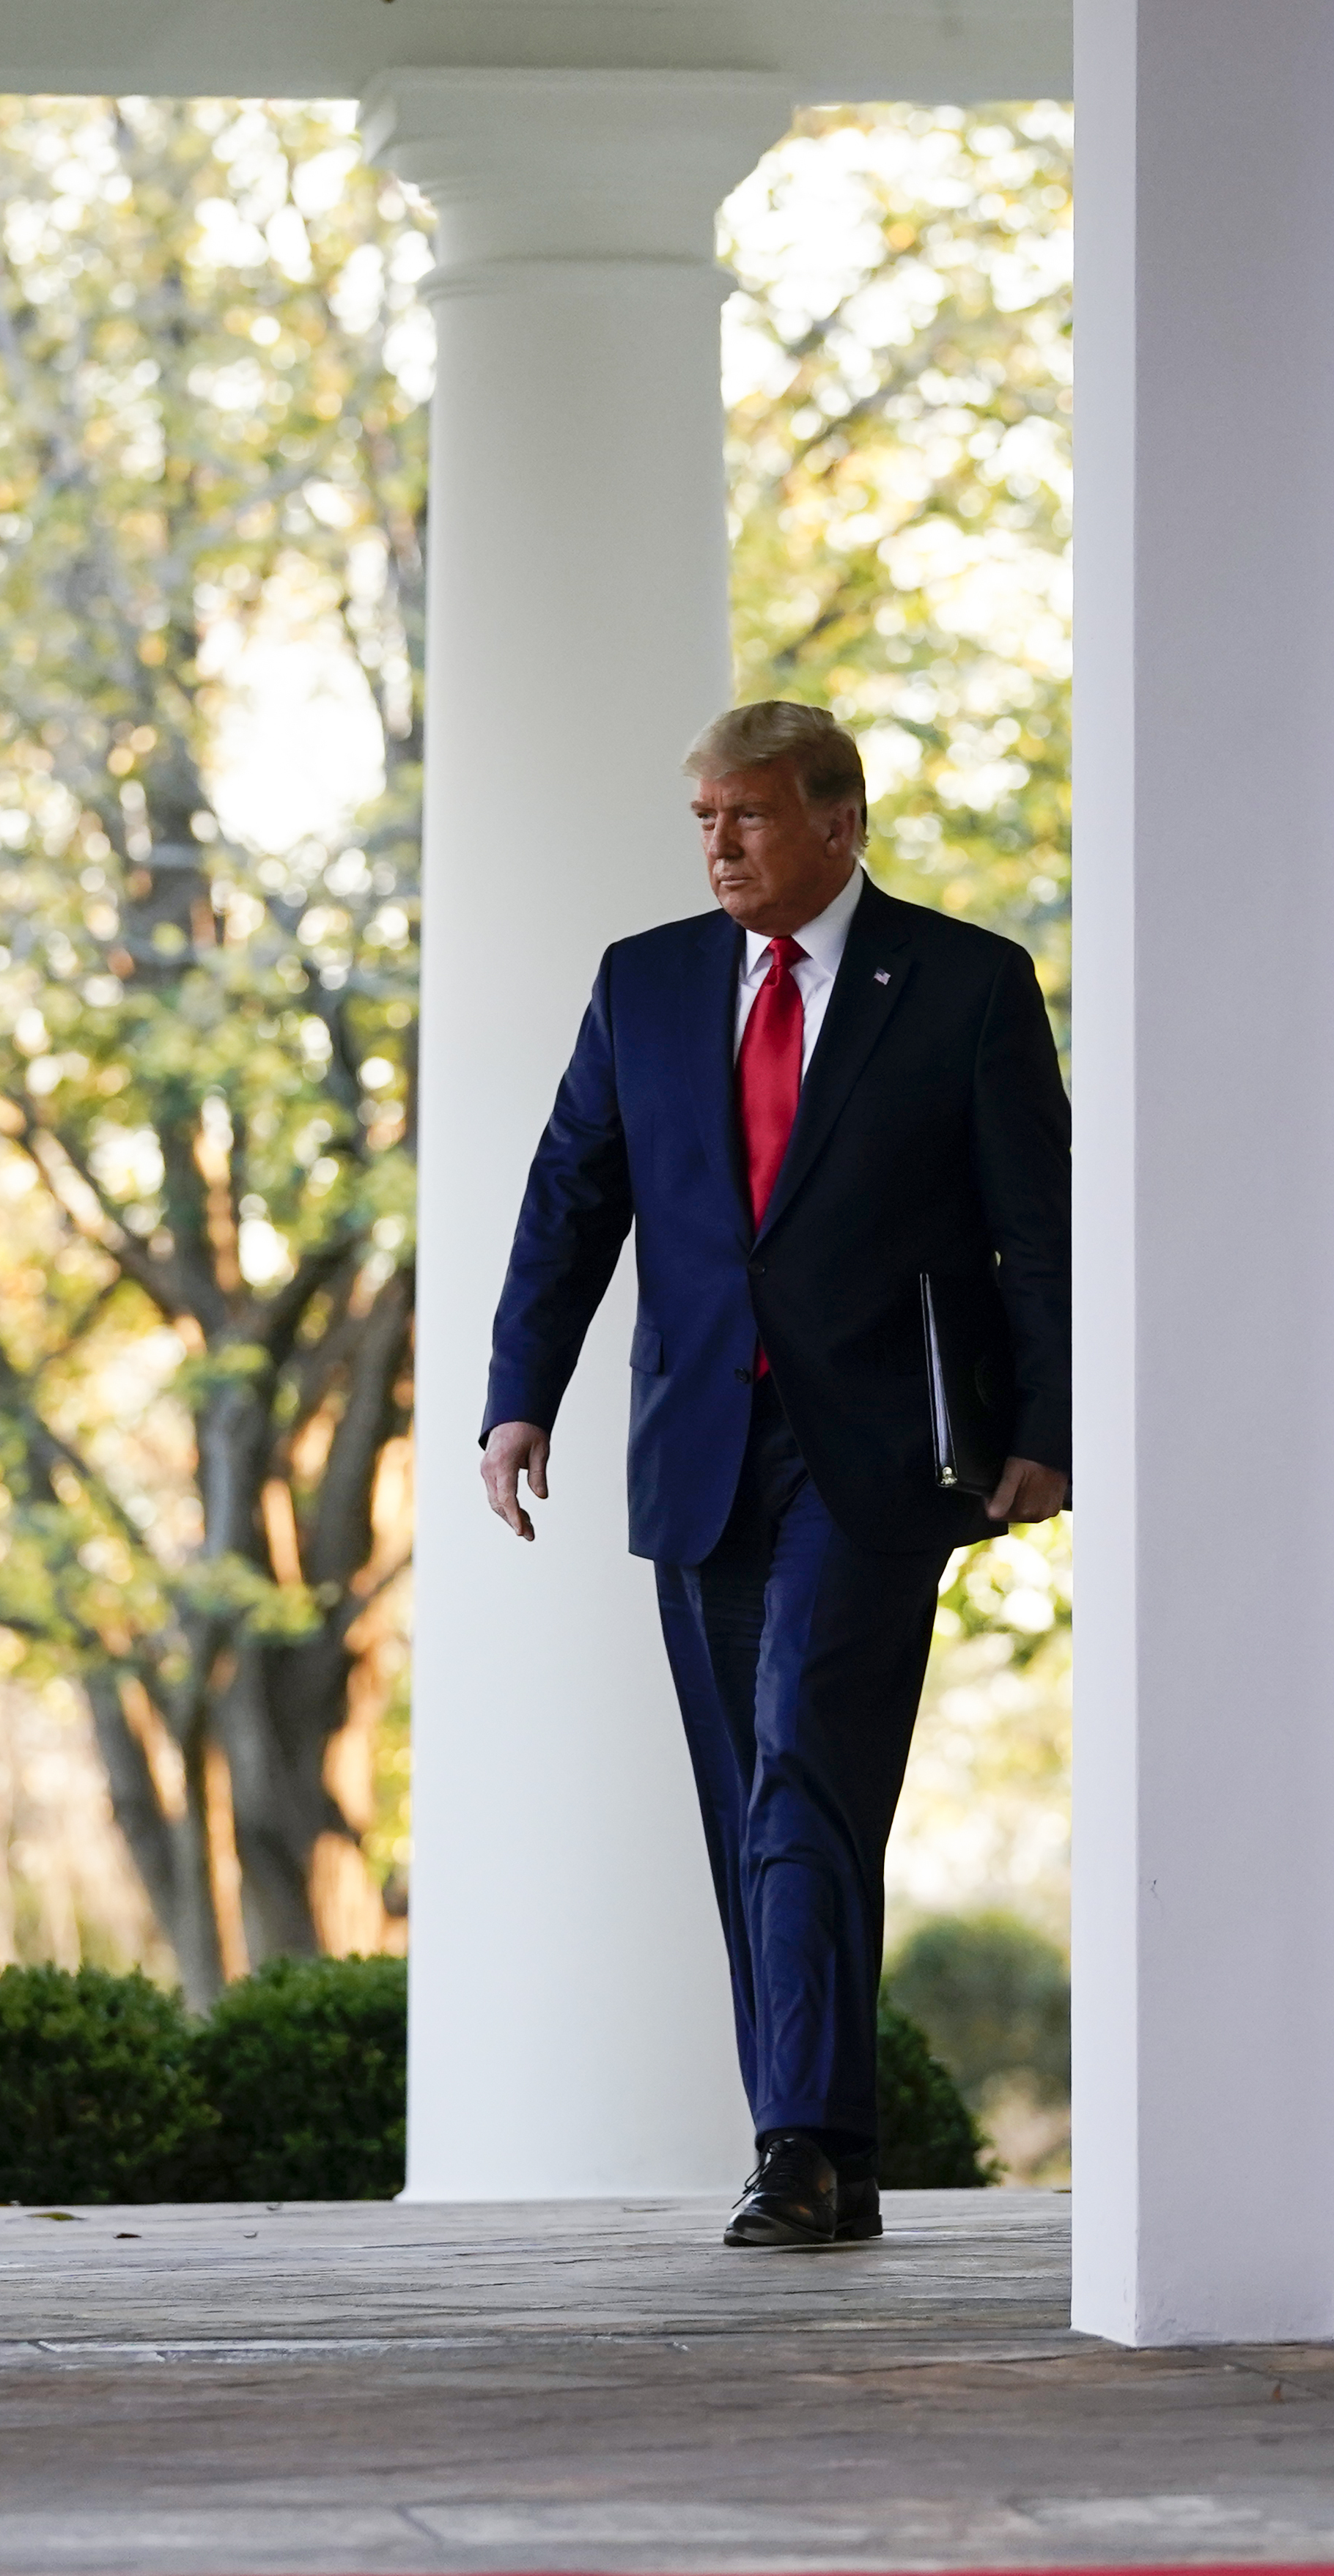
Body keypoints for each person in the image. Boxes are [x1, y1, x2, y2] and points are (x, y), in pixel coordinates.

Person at [479, 701, 1070, 2248]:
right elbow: (570, 1199)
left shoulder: (965, 984)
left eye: (744, 816)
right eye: (702, 821)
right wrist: (515, 1398)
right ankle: (831, 2144)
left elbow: (1038, 1224)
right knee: (761, 1792)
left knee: (803, 1752)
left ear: (837, 820)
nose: (718, 846)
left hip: (878, 1454)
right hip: (698, 1449)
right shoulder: (644, 982)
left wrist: (1049, 1427)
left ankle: (795, 2136)